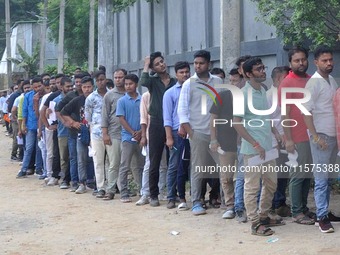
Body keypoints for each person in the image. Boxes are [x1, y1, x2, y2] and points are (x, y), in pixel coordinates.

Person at [233, 57, 284, 236]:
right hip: (252, 149)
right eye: (258, 69)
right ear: (248, 74)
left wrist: (275, 132)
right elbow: (237, 123)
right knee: (252, 186)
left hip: (268, 147)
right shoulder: (242, 95)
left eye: (263, 68)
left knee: (271, 183)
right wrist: (255, 143)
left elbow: (265, 116)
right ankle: (255, 223)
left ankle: (264, 215)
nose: (263, 71)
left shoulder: (262, 90)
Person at [177, 50, 222, 216]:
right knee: (198, 168)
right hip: (197, 132)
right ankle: (196, 202)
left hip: (217, 133)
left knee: (224, 167)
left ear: (208, 64)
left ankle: (227, 203)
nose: (197, 66)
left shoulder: (217, 81)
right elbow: (181, 110)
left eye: (201, 63)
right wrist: (191, 132)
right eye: (195, 63)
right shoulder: (189, 83)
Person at [303, 45, 340, 233]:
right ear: (315, 62)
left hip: (334, 137)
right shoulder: (313, 83)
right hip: (322, 138)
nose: (328, 63)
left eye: (330, 60)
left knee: (329, 177)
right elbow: (305, 112)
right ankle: (322, 217)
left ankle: (325, 212)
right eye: (324, 61)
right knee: (321, 179)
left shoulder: (331, 80)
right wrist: (316, 137)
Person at [278, 46, 315, 225]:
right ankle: (296, 212)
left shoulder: (311, 80)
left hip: (311, 136)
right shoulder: (287, 83)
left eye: (303, 59)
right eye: (297, 60)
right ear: (290, 63)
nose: (301, 63)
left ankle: (304, 208)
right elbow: (284, 114)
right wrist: (289, 139)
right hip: (296, 137)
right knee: (297, 175)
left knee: (307, 175)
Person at [140, 51, 177, 206]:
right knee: (154, 160)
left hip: (173, 123)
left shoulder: (174, 82)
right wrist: (146, 64)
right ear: (153, 68)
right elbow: (142, 81)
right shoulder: (153, 81)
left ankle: (172, 194)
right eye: (157, 64)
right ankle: (153, 195)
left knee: (174, 161)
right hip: (156, 123)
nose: (161, 65)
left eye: (162, 62)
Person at [163, 61, 191, 209]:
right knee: (174, 165)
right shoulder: (170, 93)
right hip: (176, 132)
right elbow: (167, 117)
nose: (185, 75)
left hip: (193, 131)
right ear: (176, 74)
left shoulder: (195, 90)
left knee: (192, 165)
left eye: (187, 72)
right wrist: (169, 137)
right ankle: (171, 197)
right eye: (181, 72)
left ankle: (195, 197)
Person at [61, 76, 95, 194]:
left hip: (96, 133)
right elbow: (63, 112)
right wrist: (72, 123)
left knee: (93, 158)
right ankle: (82, 183)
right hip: (81, 133)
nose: (87, 89)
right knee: (80, 158)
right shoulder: (77, 100)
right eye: (84, 87)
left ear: (93, 87)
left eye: (89, 87)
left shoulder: (98, 98)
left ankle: (93, 181)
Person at [116, 74, 145, 203]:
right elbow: (121, 119)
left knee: (142, 165)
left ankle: (143, 190)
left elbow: (145, 117)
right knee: (125, 165)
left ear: (136, 85)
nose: (128, 86)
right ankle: (124, 192)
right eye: (126, 84)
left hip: (141, 136)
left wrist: (140, 132)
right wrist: (133, 132)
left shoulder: (143, 99)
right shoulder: (122, 101)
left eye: (130, 84)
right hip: (128, 137)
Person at [268, 66, 291, 217]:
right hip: (274, 140)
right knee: (274, 174)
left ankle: (280, 203)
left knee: (284, 172)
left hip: (286, 139)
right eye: (285, 78)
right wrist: (276, 135)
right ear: (277, 79)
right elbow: (267, 119)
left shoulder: (285, 94)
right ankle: (273, 204)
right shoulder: (269, 95)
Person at [101, 69, 127, 200]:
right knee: (114, 163)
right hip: (114, 133)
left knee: (129, 164)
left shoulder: (132, 93)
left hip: (129, 134)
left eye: (120, 77)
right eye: (116, 77)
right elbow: (104, 116)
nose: (118, 80)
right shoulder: (109, 95)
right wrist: (105, 134)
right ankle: (110, 190)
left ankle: (125, 189)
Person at [85, 70, 108, 198]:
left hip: (111, 132)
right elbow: (88, 118)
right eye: (98, 80)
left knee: (111, 161)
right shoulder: (90, 98)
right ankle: (100, 187)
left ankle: (112, 187)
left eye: (102, 79)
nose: (100, 82)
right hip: (96, 133)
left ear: (106, 80)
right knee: (98, 161)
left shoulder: (111, 95)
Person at [16, 77, 45, 178]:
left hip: (42, 126)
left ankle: (39, 169)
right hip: (30, 125)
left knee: (39, 148)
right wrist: (23, 125)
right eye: (35, 86)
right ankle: (24, 169)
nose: (37, 88)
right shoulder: (28, 96)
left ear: (43, 85)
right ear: (32, 87)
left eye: (39, 86)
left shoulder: (45, 96)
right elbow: (24, 111)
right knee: (28, 148)